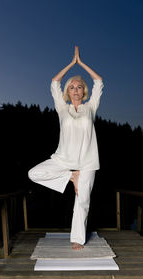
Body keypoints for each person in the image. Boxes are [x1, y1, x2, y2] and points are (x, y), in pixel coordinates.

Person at [28, 46, 103, 250]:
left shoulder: (91, 108)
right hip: (63, 159)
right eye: (72, 87)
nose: (76, 90)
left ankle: (77, 238)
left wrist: (82, 63)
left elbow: (99, 82)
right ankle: (71, 177)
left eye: (79, 87)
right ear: (68, 92)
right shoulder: (62, 108)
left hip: (87, 162)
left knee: (82, 201)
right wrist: (72, 63)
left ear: (83, 91)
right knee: (34, 173)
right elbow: (54, 82)